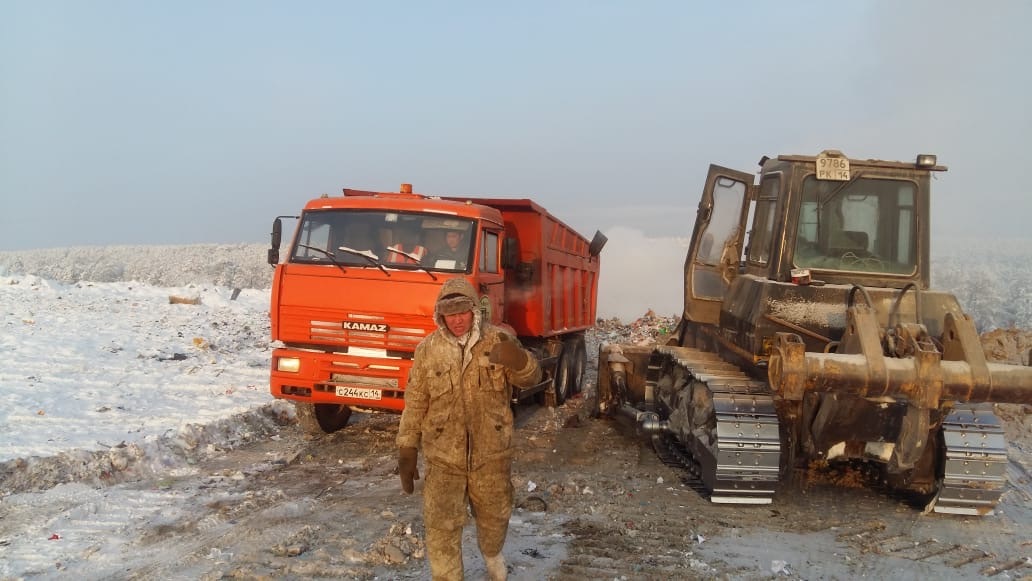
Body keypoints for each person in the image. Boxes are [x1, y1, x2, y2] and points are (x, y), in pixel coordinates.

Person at [396, 278, 541, 581]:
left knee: (494, 518)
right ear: (441, 315)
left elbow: (531, 379)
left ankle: (491, 554)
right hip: (443, 459)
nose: (457, 320)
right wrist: (407, 446)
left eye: (463, 312)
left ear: (474, 310)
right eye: (450, 313)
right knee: (440, 527)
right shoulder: (428, 350)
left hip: (491, 457)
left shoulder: (498, 340)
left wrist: (521, 362)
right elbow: (416, 400)